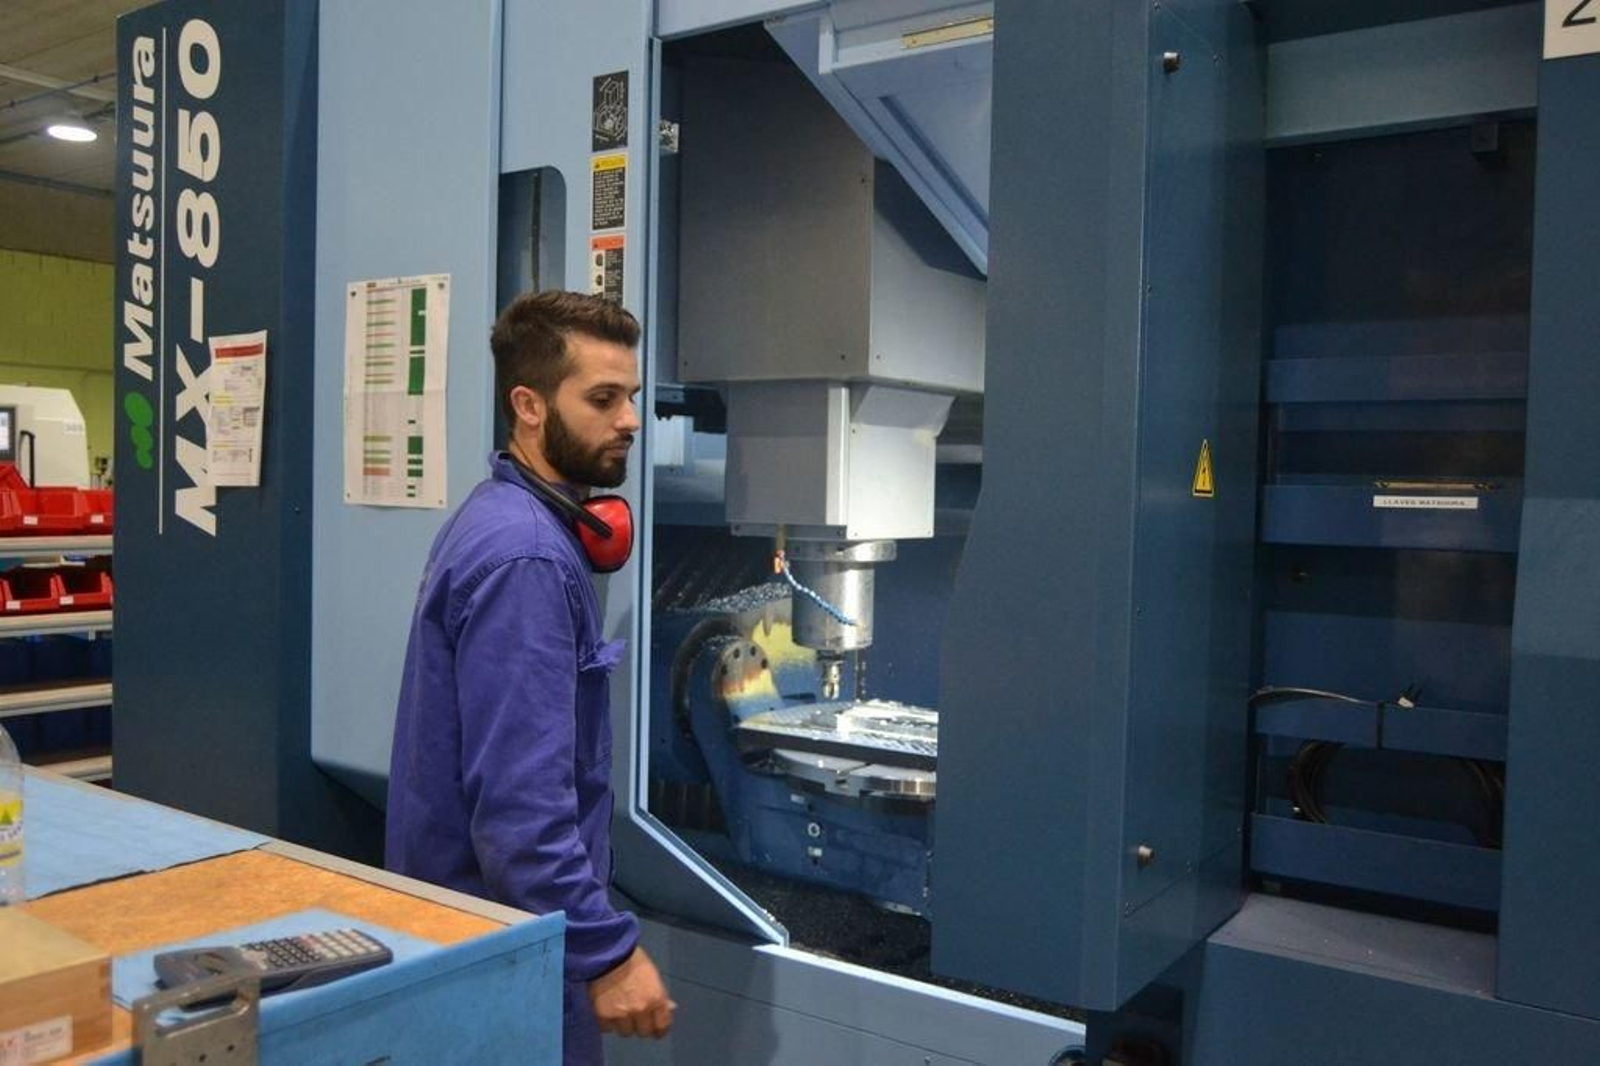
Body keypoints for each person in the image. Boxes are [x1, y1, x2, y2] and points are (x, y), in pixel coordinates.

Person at [386, 291, 674, 1063]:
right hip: (512, 949)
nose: (630, 420)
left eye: (632, 398)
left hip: (480, 935)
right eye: (603, 399)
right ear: (529, 405)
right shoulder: (528, 559)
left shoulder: (500, 514)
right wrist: (606, 952)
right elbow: (519, 813)